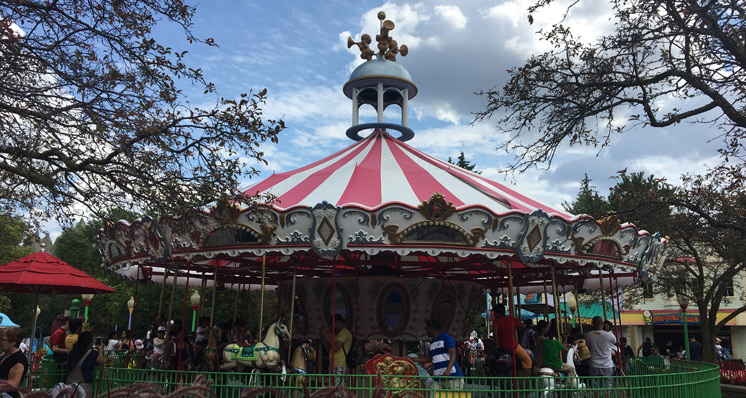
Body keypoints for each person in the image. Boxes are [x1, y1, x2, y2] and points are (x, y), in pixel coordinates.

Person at [413, 319, 464, 391]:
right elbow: (430, 358)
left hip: (452, 376)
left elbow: (453, 354)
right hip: (438, 378)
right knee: (433, 394)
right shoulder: (432, 342)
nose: (426, 331)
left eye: (427, 329)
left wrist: (448, 370)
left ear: (432, 329)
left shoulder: (446, 338)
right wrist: (414, 359)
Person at [492, 303, 531, 376]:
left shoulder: (496, 322)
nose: (494, 315)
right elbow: (522, 328)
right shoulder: (511, 319)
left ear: (499, 313)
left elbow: (495, 333)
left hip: (501, 346)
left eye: (495, 313)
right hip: (513, 345)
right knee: (528, 361)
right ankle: (525, 383)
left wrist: (497, 345)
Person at [66, 331, 104, 398]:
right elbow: (102, 363)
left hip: (69, 386)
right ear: (90, 342)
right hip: (84, 388)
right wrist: (100, 351)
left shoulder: (72, 352)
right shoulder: (93, 353)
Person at [584, 316, 617, 388]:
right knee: (607, 387)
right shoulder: (609, 335)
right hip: (607, 365)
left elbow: (587, 345)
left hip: (594, 364)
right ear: (604, 324)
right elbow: (617, 343)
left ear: (592, 324)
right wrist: (608, 331)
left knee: (595, 387)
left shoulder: (587, 335)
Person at [319, 314, 352, 385]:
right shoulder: (338, 334)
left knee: (338, 388)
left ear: (338, 322)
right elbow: (330, 350)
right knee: (334, 387)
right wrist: (324, 339)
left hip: (339, 364)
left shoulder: (344, 332)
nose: (331, 326)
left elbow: (336, 347)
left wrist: (326, 336)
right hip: (333, 365)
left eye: (332, 323)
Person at [0, 327, 29, 398]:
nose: (0, 342)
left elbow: (13, 384)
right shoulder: (5, 356)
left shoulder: (18, 359)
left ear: (13, 342)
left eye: (3, 340)